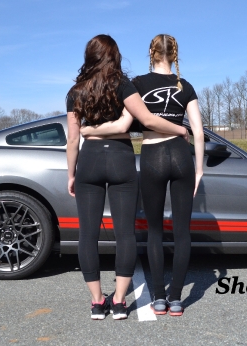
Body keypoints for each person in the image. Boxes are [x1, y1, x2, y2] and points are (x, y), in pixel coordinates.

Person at [66, 34, 188, 321]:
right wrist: (180, 129)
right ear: (115, 55)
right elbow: (145, 120)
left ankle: (97, 302)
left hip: (90, 161)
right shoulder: (123, 85)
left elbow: (72, 141)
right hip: (121, 158)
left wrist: (71, 172)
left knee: (88, 234)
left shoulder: (76, 91)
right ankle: (119, 301)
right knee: (125, 234)